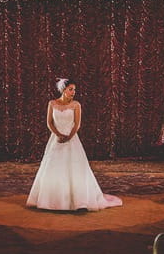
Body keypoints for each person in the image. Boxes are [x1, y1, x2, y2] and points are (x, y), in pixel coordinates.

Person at [26, 78, 123, 211]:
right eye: (71, 89)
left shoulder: (76, 105)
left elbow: (77, 124)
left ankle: (79, 202)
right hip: (56, 139)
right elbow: (49, 123)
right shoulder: (52, 103)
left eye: (74, 90)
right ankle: (52, 201)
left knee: (76, 169)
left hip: (71, 140)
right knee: (54, 168)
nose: (73, 92)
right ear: (63, 90)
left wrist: (68, 137)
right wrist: (59, 135)